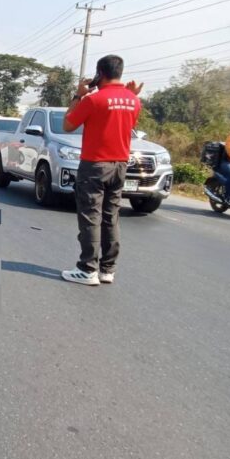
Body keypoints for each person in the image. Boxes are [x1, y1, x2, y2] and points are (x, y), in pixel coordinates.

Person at [61, 54, 143, 286]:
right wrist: (131, 95)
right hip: (120, 166)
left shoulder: (93, 100)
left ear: (100, 73)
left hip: (95, 165)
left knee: (91, 216)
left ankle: (87, 269)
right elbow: (128, 124)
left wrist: (78, 95)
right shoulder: (134, 100)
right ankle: (108, 270)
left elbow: (67, 125)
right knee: (111, 217)